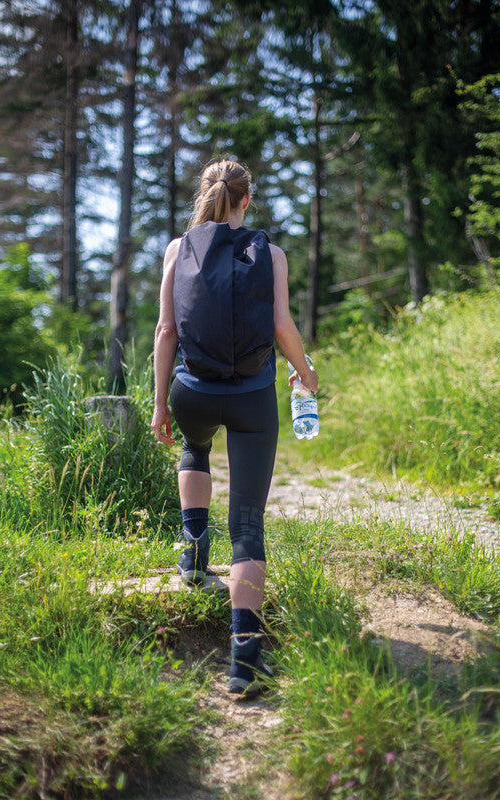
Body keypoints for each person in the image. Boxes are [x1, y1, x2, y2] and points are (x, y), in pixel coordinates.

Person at [150, 159, 318, 699]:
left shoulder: (179, 249)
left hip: (191, 392)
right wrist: (305, 371)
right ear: (247, 200)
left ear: (205, 195)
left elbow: (166, 330)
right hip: (250, 400)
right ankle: (245, 658)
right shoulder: (270, 254)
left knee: (195, 448)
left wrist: (160, 405)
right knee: (247, 526)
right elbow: (280, 326)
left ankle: (193, 548)